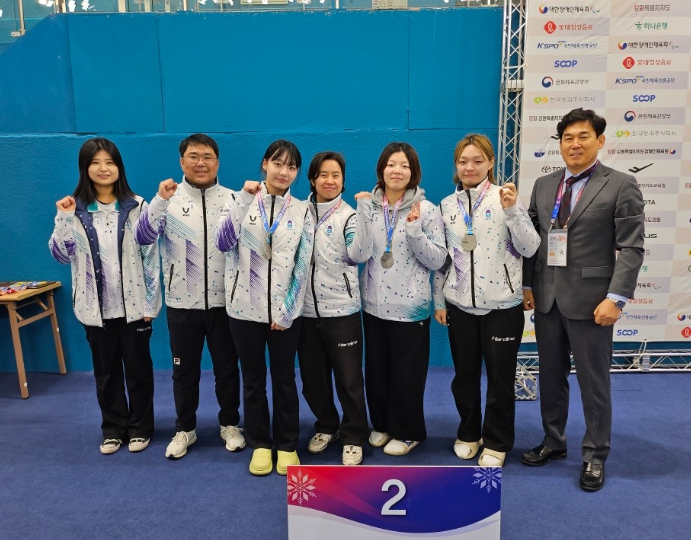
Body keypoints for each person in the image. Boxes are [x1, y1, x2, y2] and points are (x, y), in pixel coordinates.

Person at [521, 108, 645, 491]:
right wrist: (527, 286)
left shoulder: (620, 184)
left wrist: (616, 298)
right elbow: (532, 242)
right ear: (559, 144)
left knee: (594, 383)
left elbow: (632, 248)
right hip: (547, 299)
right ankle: (554, 440)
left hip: (593, 303)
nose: (574, 144)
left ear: (600, 140)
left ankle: (595, 455)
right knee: (550, 376)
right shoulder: (544, 185)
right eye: (567, 138)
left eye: (583, 136)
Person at [135, 134, 245, 459]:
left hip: (226, 305)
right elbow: (143, 237)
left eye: (208, 157)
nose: (201, 163)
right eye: (194, 156)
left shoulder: (234, 200)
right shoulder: (166, 200)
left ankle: (230, 424)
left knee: (227, 369)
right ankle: (185, 429)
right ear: (182, 162)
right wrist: (159, 200)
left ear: (217, 162)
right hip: (182, 304)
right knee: (184, 372)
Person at [433, 134, 540, 467]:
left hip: (501, 307)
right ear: (456, 165)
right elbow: (443, 260)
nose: (470, 167)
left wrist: (512, 211)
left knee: (499, 380)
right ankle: (469, 433)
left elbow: (530, 247)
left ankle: (496, 441)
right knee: (464, 377)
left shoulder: (505, 198)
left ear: (491, 162)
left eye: (477, 161)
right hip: (460, 306)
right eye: (463, 161)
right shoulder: (446, 206)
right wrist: (440, 300)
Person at [49, 138, 161, 455]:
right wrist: (63, 218)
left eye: (109, 162)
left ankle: (140, 428)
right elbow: (61, 255)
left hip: (135, 308)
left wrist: (151, 303)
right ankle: (113, 429)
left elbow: (151, 258)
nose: (103, 168)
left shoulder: (137, 206)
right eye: (95, 163)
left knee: (139, 372)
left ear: (119, 167)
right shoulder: (73, 209)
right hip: (95, 310)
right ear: (85, 168)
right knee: (106, 373)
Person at [214, 140, 313, 476]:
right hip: (243, 311)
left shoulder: (301, 210)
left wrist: (287, 311)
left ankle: (286, 444)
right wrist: (244, 200)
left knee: (284, 379)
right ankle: (260, 443)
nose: (284, 172)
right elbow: (223, 243)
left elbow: (302, 264)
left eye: (291, 166)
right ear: (264, 164)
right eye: (278, 163)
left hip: (285, 313)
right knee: (253, 380)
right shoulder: (237, 200)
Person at [361, 142, 447, 456]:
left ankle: (408, 431)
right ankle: (382, 425)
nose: (397, 171)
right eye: (391, 165)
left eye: (404, 166)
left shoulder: (427, 210)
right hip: (373, 306)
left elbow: (438, 259)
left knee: (406, 375)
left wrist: (414, 231)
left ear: (414, 173)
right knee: (376, 373)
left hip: (411, 309)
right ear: (381, 169)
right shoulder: (370, 207)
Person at [297, 151, 372, 466]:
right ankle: (327, 425)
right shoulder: (297, 212)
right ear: (312, 179)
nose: (330, 181)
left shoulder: (350, 216)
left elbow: (360, 254)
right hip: (304, 312)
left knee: (349, 380)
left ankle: (354, 435)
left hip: (342, 311)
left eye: (336, 175)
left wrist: (365, 212)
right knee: (313, 380)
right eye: (323, 175)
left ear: (343, 180)